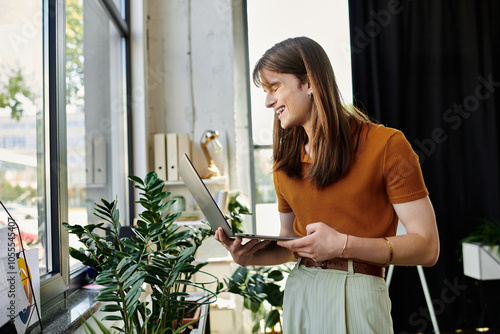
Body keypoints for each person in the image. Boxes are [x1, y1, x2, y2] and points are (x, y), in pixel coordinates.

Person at [215, 36, 439, 333]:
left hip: (357, 291)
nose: (268, 102)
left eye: (275, 87)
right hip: (301, 291)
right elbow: (290, 244)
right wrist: (249, 258)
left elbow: (427, 247)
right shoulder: (285, 163)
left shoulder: (387, 146)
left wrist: (343, 245)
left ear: (309, 83)